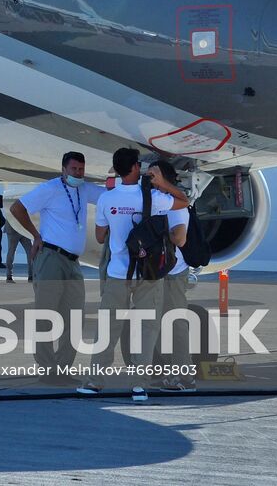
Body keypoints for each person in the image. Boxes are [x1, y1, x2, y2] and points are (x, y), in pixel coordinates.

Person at [80, 147, 189, 402]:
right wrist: (162, 183)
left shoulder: (107, 199)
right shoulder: (153, 197)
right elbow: (184, 201)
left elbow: (99, 236)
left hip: (118, 273)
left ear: (117, 169)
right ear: (135, 168)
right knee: (147, 329)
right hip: (148, 273)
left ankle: (95, 382)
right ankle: (139, 385)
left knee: (107, 329)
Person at [9, 152, 106, 382]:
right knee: (45, 315)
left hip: (73, 262)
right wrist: (35, 235)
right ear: (63, 169)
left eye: (81, 169)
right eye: (74, 169)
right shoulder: (50, 189)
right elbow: (17, 208)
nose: (78, 174)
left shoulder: (85, 189)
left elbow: (109, 195)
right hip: (51, 257)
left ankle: (62, 369)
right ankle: (47, 369)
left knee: (75, 316)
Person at [152, 160, 196, 393]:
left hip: (173, 272)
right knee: (159, 325)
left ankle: (184, 377)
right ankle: (170, 372)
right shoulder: (159, 201)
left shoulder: (176, 205)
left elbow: (180, 238)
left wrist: (156, 233)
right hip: (159, 272)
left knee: (175, 324)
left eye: (154, 177)